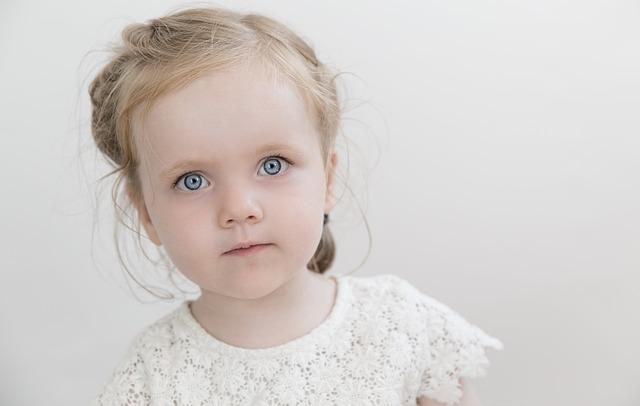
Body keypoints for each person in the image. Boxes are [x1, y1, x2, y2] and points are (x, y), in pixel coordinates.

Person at [88, 5, 503, 405]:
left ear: (327, 179)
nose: (239, 208)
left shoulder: (403, 329)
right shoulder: (150, 377)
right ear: (146, 213)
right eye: (192, 180)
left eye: (272, 165)